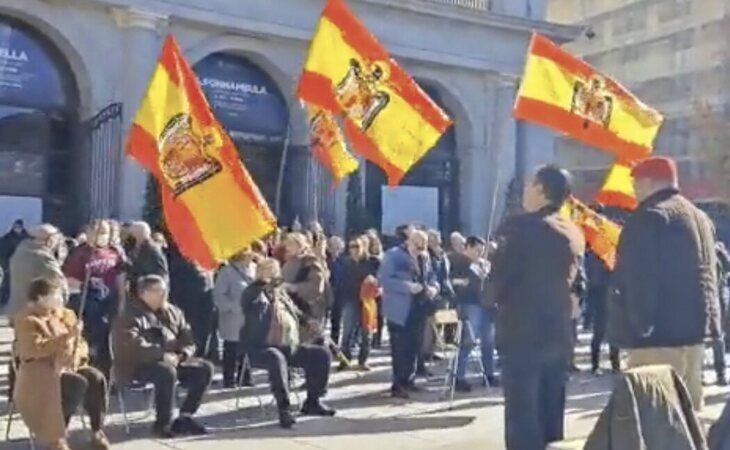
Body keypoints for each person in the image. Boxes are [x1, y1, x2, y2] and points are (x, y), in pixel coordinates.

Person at [607, 156, 720, 411]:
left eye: (635, 182)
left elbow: (639, 276)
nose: (634, 189)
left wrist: (640, 324)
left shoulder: (648, 216)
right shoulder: (698, 216)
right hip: (695, 332)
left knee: (655, 416)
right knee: (690, 415)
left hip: (657, 337)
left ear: (648, 182)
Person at [490, 165, 585, 450]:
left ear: (542, 190)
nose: (525, 190)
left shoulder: (519, 227)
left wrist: (486, 285)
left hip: (522, 332)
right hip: (557, 332)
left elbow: (499, 281)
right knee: (551, 413)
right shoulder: (572, 230)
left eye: (530, 184)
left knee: (522, 418)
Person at [13, 277, 110, 450]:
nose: (60, 298)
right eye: (55, 295)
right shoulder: (27, 320)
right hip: (41, 371)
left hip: (69, 365)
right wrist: (67, 337)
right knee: (75, 383)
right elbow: (33, 349)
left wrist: (75, 356)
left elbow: (81, 344)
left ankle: (97, 430)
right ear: (40, 298)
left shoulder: (66, 315)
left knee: (96, 377)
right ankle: (57, 437)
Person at [112, 275, 213, 438]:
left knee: (205, 368)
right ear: (145, 293)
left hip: (173, 359)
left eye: (165, 290)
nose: (164, 294)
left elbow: (188, 337)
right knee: (166, 372)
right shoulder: (130, 315)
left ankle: (185, 417)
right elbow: (131, 345)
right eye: (159, 291)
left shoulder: (173, 311)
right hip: (138, 364)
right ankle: (163, 424)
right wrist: (161, 354)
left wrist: (184, 353)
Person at [240, 257, 336, 429]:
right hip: (261, 348)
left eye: (275, 270)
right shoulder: (252, 292)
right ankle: (284, 409)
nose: (273, 274)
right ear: (260, 273)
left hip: (287, 345)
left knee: (321, 354)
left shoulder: (281, 293)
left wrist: (309, 322)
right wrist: (265, 289)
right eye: (267, 270)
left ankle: (313, 401)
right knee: (276, 359)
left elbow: (297, 312)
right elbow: (253, 309)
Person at [378, 227, 439, 399]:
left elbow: (432, 276)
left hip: (419, 307)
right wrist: (407, 287)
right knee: (400, 348)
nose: (421, 248)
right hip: (399, 310)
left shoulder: (424, 257)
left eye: (424, 245)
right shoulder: (393, 256)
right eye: (417, 244)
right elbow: (384, 279)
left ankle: (410, 380)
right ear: (408, 241)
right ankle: (398, 385)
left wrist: (434, 287)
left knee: (414, 346)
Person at [63, 219, 126, 378]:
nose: (102, 235)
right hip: (88, 305)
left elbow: (122, 274)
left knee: (108, 345)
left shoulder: (115, 252)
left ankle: (107, 379)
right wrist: (86, 283)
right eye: (98, 231)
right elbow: (68, 279)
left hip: (109, 303)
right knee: (90, 343)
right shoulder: (80, 253)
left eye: (105, 231)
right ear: (89, 233)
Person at [451, 235, 497, 391]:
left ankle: (489, 374)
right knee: (468, 341)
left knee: (488, 342)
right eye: (477, 250)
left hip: (486, 306)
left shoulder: (484, 264)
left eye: (482, 251)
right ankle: (459, 377)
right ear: (468, 247)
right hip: (470, 304)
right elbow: (457, 282)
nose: (480, 254)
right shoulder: (458, 262)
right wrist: (474, 275)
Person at [213, 249, 256, 387]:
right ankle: (229, 378)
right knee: (231, 348)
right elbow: (219, 295)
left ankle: (245, 377)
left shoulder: (254, 269)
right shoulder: (227, 272)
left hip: (250, 316)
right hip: (233, 317)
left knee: (247, 347)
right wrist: (233, 306)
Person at [7, 224, 66, 320]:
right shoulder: (44, 258)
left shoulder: (19, 251)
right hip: (36, 312)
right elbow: (59, 283)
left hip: (16, 309)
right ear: (49, 240)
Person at [338, 236, 373, 371]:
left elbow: (378, 280)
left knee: (366, 333)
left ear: (363, 247)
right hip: (350, 300)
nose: (354, 249)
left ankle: (363, 360)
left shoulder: (371, 262)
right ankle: (345, 360)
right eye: (351, 246)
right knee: (347, 332)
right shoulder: (345, 263)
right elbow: (341, 282)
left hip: (367, 301)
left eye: (357, 246)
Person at [585, 249, 620, 374]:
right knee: (601, 331)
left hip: (606, 295)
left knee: (608, 331)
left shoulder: (609, 253)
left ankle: (612, 364)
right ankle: (599, 365)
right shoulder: (599, 254)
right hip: (602, 294)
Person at [127, 221, 169, 286]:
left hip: (151, 288)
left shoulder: (152, 249)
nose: (132, 233)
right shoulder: (135, 247)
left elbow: (161, 272)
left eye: (134, 231)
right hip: (140, 287)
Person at [0, 219, 29, 306]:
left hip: (24, 266)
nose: (17, 229)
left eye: (19, 227)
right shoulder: (6, 239)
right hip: (10, 265)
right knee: (8, 284)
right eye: (16, 227)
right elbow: (3, 254)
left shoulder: (27, 239)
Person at [326, 235, 346, 344]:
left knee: (336, 321)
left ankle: (334, 344)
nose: (334, 249)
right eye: (332, 246)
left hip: (339, 293)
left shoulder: (343, 261)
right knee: (323, 320)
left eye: (337, 247)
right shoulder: (325, 259)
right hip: (326, 292)